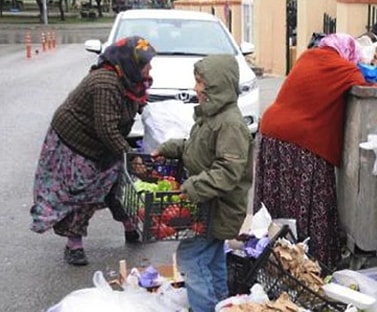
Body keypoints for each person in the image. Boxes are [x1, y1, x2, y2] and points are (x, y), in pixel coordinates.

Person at [29, 36, 156, 266]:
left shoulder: (133, 80)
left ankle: (130, 228)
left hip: (102, 140)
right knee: (82, 191)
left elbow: (136, 106)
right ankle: (73, 245)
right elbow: (106, 129)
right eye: (146, 63)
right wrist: (130, 156)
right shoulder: (105, 83)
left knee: (119, 182)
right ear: (130, 63)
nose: (150, 67)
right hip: (75, 141)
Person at [252, 33, 367, 270]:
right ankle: (314, 263)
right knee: (314, 201)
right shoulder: (341, 67)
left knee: (276, 204)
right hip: (301, 141)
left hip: (272, 133)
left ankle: (270, 259)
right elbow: (365, 83)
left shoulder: (308, 57)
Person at [151, 54, 254, 312]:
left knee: (192, 257)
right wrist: (173, 148)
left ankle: (206, 308)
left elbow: (228, 171)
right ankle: (222, 304)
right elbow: (197, 151)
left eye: (201, 83)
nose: (196, 88)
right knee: (212, 259)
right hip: (207, 206)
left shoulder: (230, 124)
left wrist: (192, 187)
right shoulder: (211, 117)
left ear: (217, 87)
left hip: (217, 208)